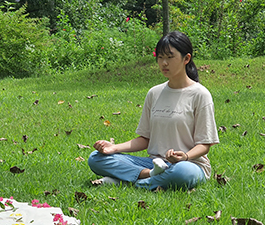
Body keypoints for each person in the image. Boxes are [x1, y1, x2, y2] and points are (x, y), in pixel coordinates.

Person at [88, 31, 219, 191]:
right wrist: (114, 148)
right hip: (155, 163)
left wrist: (184, 157)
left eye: (170, 57)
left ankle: (130, 182)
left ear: (186, 59)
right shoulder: (154, 93)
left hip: (189, 164)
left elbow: (204, 144)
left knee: (183, 173)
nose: (164, 63)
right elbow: (145, 139)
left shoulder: (200, 94)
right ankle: (150, 174)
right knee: (96, 158)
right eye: (160, 57)